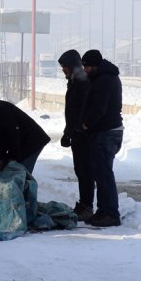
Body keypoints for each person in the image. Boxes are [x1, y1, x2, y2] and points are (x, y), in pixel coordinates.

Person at [80, 49, 124, 227]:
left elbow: (100, 107)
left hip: (106, 132)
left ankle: (111, 213)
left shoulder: (104, 80)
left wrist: (87, 123)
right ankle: (103, 211)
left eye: (87, 67)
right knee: (100, 173)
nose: (85, 70)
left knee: (104, 174)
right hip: (107, 130)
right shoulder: (104, 77)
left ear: (94, 66)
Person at [58, 49, 94, 222]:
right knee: (80, 170)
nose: (63, 71)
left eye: (65, 68)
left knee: (85, 171)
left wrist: (79, 129)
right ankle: (84, 204)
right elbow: (71, 113)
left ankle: (87, 206)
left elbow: (81, 111)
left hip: (84, 135)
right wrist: (68, 133)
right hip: (77, 134)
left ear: (72, 67)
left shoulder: (83, 84)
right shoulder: (74, 82)